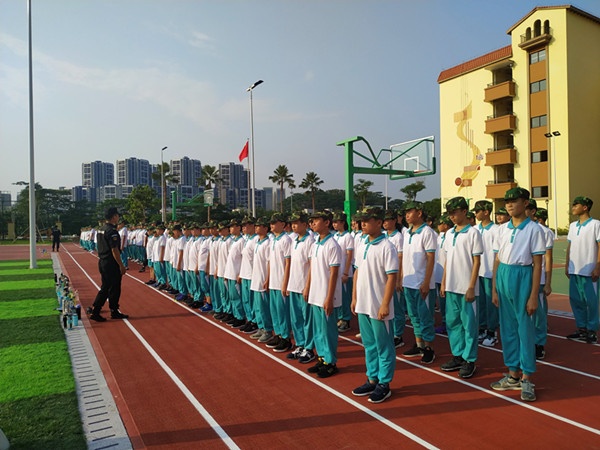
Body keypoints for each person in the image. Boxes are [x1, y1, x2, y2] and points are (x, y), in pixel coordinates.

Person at [491, 187, 545, 402]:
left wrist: (533, 296)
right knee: (508, 329)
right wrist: (494, 288)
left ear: (525, 203)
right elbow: (497, 259)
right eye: (507, 202)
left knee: (525, 329)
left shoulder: (534, 229)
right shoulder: (502, 229)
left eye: (514, 201)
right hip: (503, 275)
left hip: (523, 275)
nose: (510, 205)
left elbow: (538, 264)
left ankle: (527, 378)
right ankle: (513, 374)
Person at [351, 207, 398, 403]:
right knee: (369, 345)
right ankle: (372, 378)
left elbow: (392, 277)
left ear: (379, 222)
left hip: (378, 305)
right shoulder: (362, 244)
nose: (362, 224)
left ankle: (384, 383)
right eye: (361, 220)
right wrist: (354, 297)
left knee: (383, 346)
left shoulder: (387, 247)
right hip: (363, 303)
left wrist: (385, 304)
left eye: (367, 220)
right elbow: (357, 272)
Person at [439, 197, 483, 379]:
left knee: (469, 325)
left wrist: (471, 286)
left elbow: (476, 261)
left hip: (466, 287)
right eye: (449, 213)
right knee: (453, 323)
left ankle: (469, 359)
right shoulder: (449, 233)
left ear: (464, 211)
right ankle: (458, 355)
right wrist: (444, 282)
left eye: (454, 212)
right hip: (451, 286)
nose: (451, 216)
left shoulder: (473, 233)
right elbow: (448, 260)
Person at [306, 210, 342, 378]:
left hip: (326, 295)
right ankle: (322, 357)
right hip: (316, 293)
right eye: (311, 221)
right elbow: (312, 269)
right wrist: (308, 287)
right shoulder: (315, 244)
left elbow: (334, 273)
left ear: (327, 222)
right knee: (319, 330)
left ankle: (330, 361)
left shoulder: (332, 245)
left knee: (328, 330)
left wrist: (329, 297)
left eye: (316, 220)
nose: (312, 223)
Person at [401, 201, 437, 364]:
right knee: (414, 316)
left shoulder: (427, 232)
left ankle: (429, 348)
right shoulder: (407, 233)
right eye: (406, 213)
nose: (407, 215)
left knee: (425, 317)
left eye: (410, 212)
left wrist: (426, 282)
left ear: (419, 213)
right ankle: (419, 344)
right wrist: (402, 277)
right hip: (408, 282)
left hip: (421, 283)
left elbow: (430, 258)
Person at [565, 196, 600, 344]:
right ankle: (582, 328)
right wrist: (567, 265)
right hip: (574, 270)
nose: (573, 207)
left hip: (589, 270)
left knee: (591, 302)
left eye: (576, 205)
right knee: (576, 300)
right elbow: (569, 246)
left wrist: (597, 266)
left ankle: (592, 330)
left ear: (585, 207)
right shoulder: (573, 226)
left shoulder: (596, 224)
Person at [284, 212, 316, 364]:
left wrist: (307, 286)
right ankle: (300, 344)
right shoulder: (294, 241)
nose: (294, 226)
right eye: (292, 223)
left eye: (297, 223)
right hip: (294, 285)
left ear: (305, 224)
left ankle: (309, 348)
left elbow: (311, 266)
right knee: (296, 318)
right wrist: (288, 284)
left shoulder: (310, 241)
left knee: (307, 319)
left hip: (304, 286)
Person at [90, 207, 128, 322]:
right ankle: (96, 311)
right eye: (117, 215)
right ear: (113, 217)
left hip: (103, 261)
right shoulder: (112, 231)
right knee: (110, 287)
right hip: (111, 262)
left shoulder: (101, 229)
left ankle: (113, 310)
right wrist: (121, 265)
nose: (118, 218)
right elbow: (114, 249)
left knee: (110, 287)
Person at [474, 200, 500, 347]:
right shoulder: (474, 229)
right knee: (481, 303)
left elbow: (498, 253)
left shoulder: (496, 230)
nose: (475, 214)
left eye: (478, 211)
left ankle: (492, 331)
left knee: (491, 304)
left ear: (486, 212)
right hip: (478, 271)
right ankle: (482, 328)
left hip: (490, 272)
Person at [533, 208, 554, 359]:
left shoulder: (544, 231)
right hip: (522, 278)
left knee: (538, 313)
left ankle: (539, 343)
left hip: (538, 278)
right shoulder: (516, 229)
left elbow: (548, 258)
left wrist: (547, 282)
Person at [332, 212, 354, 333]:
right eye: (334, 222)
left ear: (342, 223)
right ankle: (340, 318)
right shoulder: (335, 236)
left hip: (345, 271)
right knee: (338, 296)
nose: (334, 224)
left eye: (337, 222)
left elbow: (350, 255)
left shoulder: (348, 236)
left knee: (345, 298)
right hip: (337, 271)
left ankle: (346, 319)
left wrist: (346, 272)